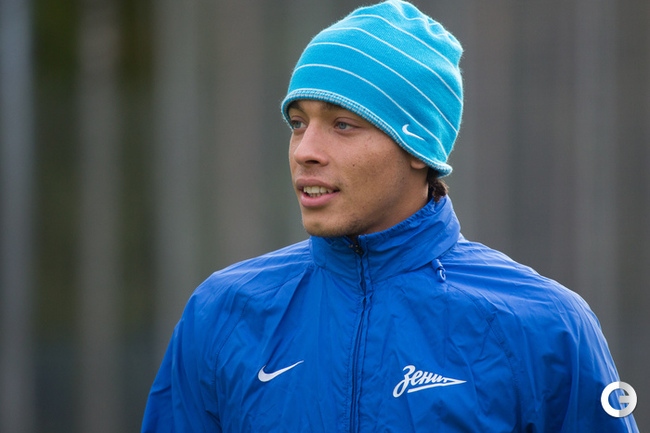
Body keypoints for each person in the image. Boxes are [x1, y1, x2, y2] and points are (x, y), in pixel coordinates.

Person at [142, 1, 639, 432]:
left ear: (419, 148)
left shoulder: (546, 327)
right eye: (298, 123)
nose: (305, 150)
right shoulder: (222, 313)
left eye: (343, 124)